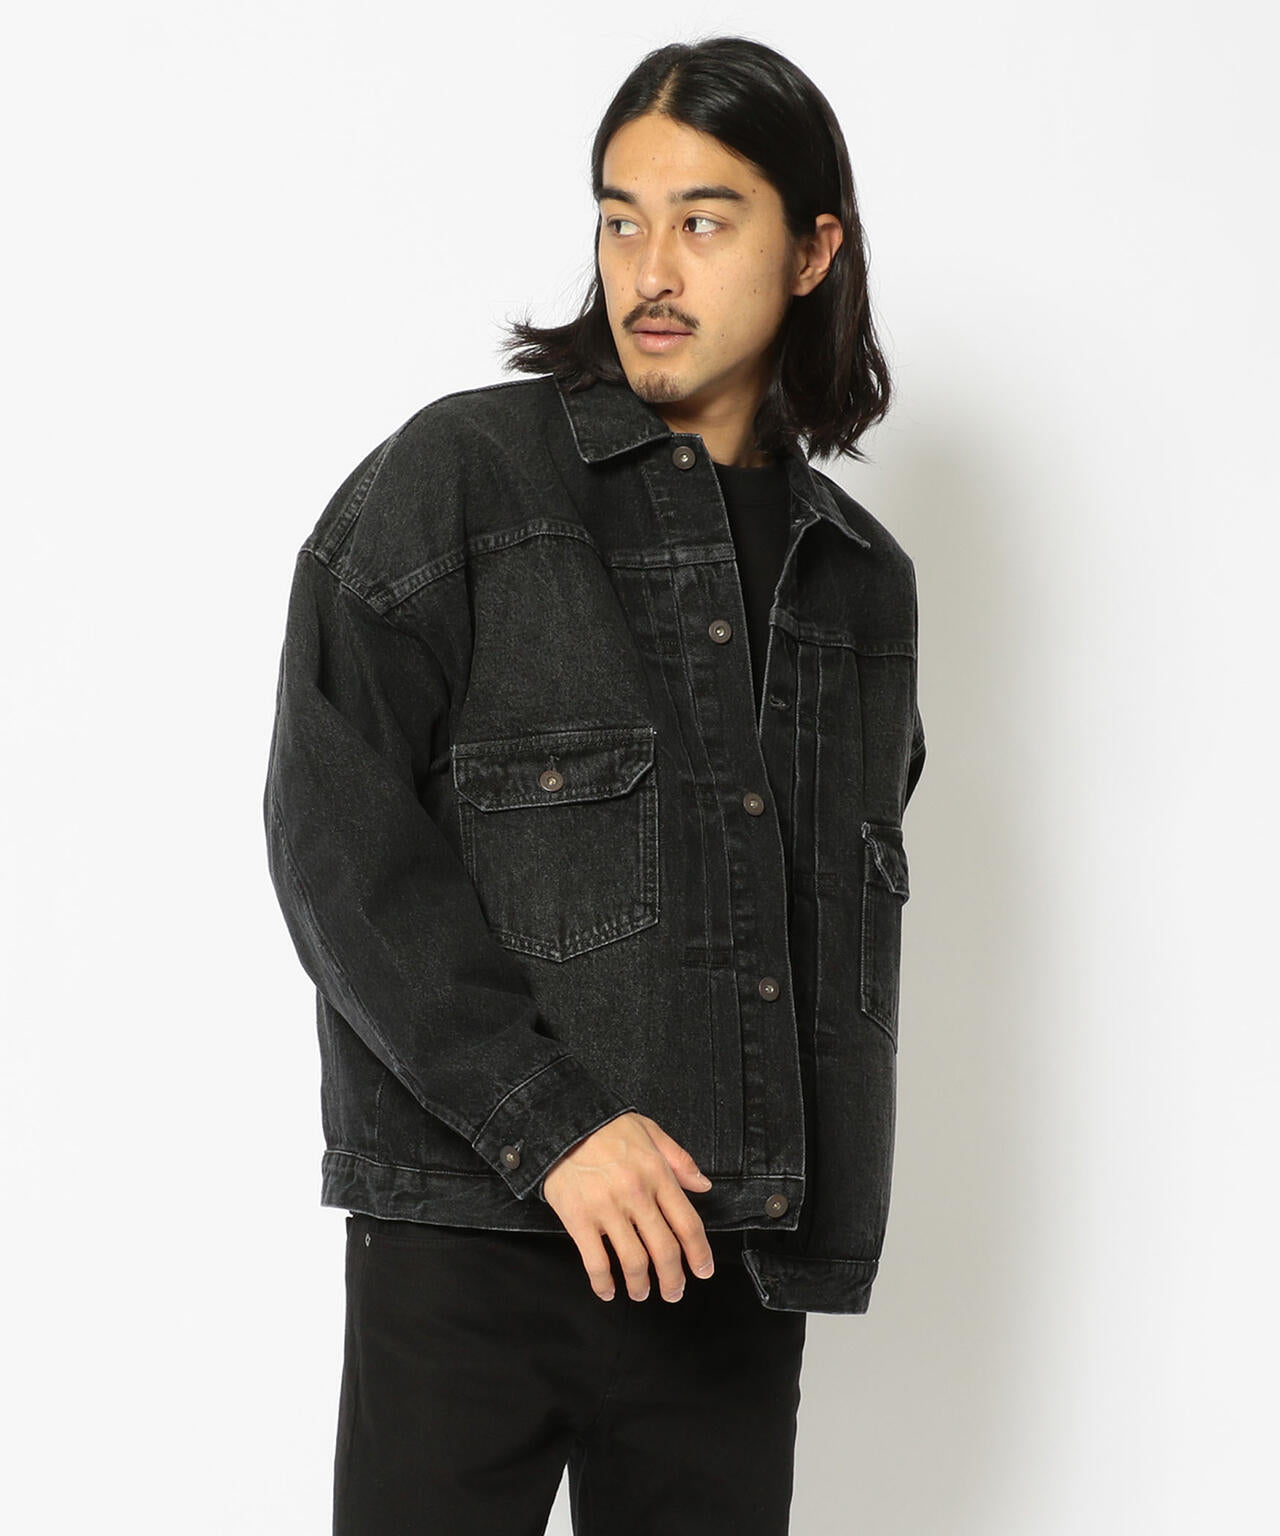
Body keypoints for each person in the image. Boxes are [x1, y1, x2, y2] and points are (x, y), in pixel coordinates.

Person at [263, 33, 926, 1536]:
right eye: (621, 220)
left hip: (723, 1267)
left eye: (704, 220)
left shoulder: (859, 583)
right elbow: (331, 835)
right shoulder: (465, 478)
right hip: (469, 1242)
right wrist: (551, 1123)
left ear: (813, 250)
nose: (651, 270)